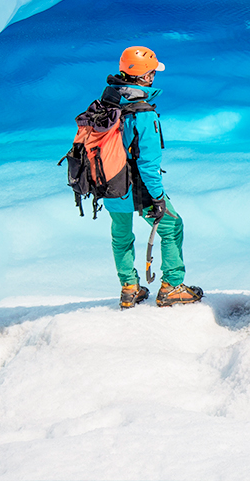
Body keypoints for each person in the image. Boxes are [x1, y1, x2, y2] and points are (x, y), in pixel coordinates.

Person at [104, 46, 203, 308]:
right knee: (172, 226)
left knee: (121, 236)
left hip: (110, 185)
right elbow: (148, 164)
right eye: (152, 73)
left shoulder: (108, 102)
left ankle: (129, 288)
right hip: (139, 189)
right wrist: (158, 198)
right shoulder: (143, 114)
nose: (153, 77)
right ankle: (171, 286)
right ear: (145, 77)